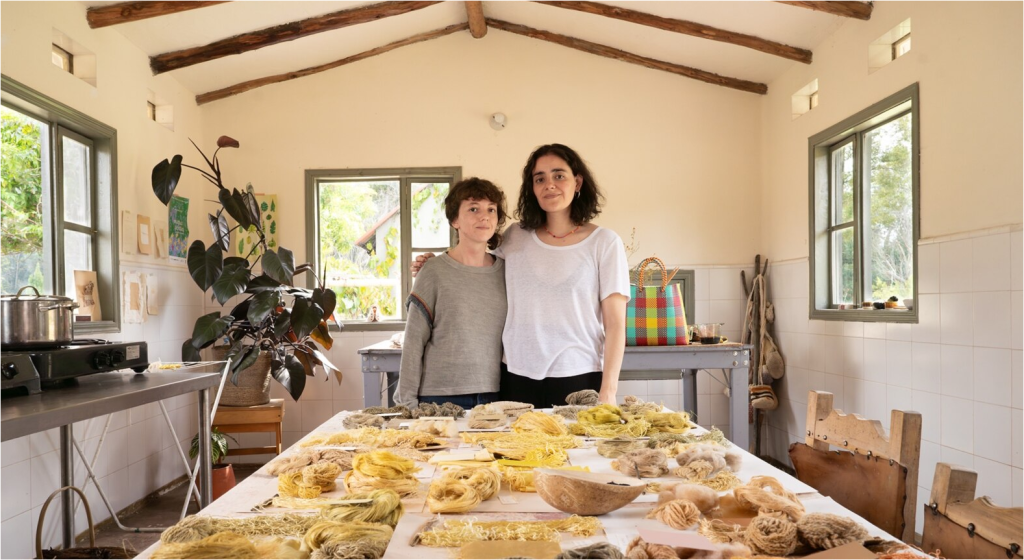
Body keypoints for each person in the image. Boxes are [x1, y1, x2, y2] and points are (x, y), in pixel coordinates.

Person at [414, 144, 629, 407]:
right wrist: (436, 262)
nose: (549, 184)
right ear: (533, 188)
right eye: (540, 179)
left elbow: (616, 325)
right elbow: (476, 263)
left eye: (559, 175)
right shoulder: (516, 236)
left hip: (578, 374)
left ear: (578, 182)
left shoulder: (604, 243)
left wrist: (609, 391)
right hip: (515, 376)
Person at [395, 177, 508, 408]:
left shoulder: (506, 271)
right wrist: (405, 403)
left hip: (494, 396)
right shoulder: (434, 271)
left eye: (491, 209)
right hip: (438, 397)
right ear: (455, 219)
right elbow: (414, 340)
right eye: (473, 209)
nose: (484, 216)